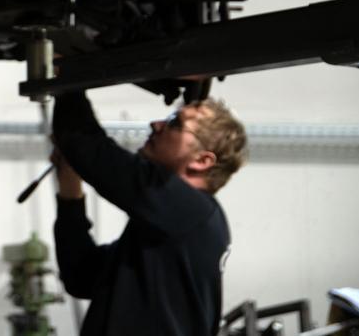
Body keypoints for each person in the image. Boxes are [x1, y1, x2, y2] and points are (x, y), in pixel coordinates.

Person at [51, 91, 248, 336]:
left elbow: (89, 150)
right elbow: (82, 276)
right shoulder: (177, 227)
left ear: (202, 160)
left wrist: (68, 83)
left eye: (175, 123)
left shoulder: (192, 211)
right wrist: (70, 186)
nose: (156, 124)